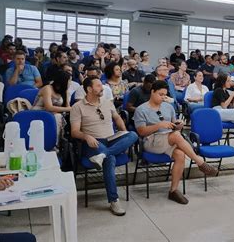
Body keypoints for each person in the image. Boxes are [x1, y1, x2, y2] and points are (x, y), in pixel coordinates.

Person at [134, 80, 218, 204]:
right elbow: (141, 132)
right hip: (151, 140)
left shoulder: (168, 107)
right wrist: (159, 125)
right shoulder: (141, 109)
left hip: (169, 139)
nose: (163, 97)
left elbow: (174, 125)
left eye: (165, 95)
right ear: (152, 92)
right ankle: (199, 161)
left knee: (180, 154)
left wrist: (179, 125)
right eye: (160, 94)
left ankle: (173, 191)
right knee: (176, 136)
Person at [70, 76, 138, 216]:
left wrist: (123, 133)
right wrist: (86, 136)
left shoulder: (107, 102)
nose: (103, 88)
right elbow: (74, 132)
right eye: (99, 85)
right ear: (89, 89)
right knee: (110, 159)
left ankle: (103, 154)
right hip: (93, 142)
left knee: (132, 135)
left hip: (111, 138)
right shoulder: (77, 107)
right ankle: (114, 200)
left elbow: (118, 119)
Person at [32, 69, 71, 141]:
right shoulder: (48, 88)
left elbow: (67, 107)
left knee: (60, 117)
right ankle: (53, 142)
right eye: (69, 81)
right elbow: (48, 107)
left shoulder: (64, 91)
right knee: (58, 116)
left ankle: (56, 142)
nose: (70, 83)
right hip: (39, 111)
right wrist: (69, 109)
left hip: (54, 113)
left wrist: (69, 108)